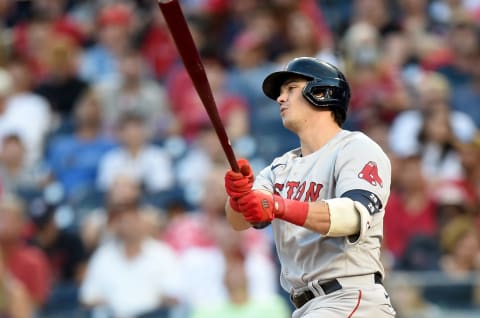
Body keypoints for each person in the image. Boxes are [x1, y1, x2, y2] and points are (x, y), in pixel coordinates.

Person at [224, 57, 396, 317]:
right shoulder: (279, 168)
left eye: (291, 89)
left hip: (350, 298)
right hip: (308, 306)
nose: (281, 99)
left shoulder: (356, 148)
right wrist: (239, 196)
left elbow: (351, 217)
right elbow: (241, 221)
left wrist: (279, 206)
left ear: (322, 92)